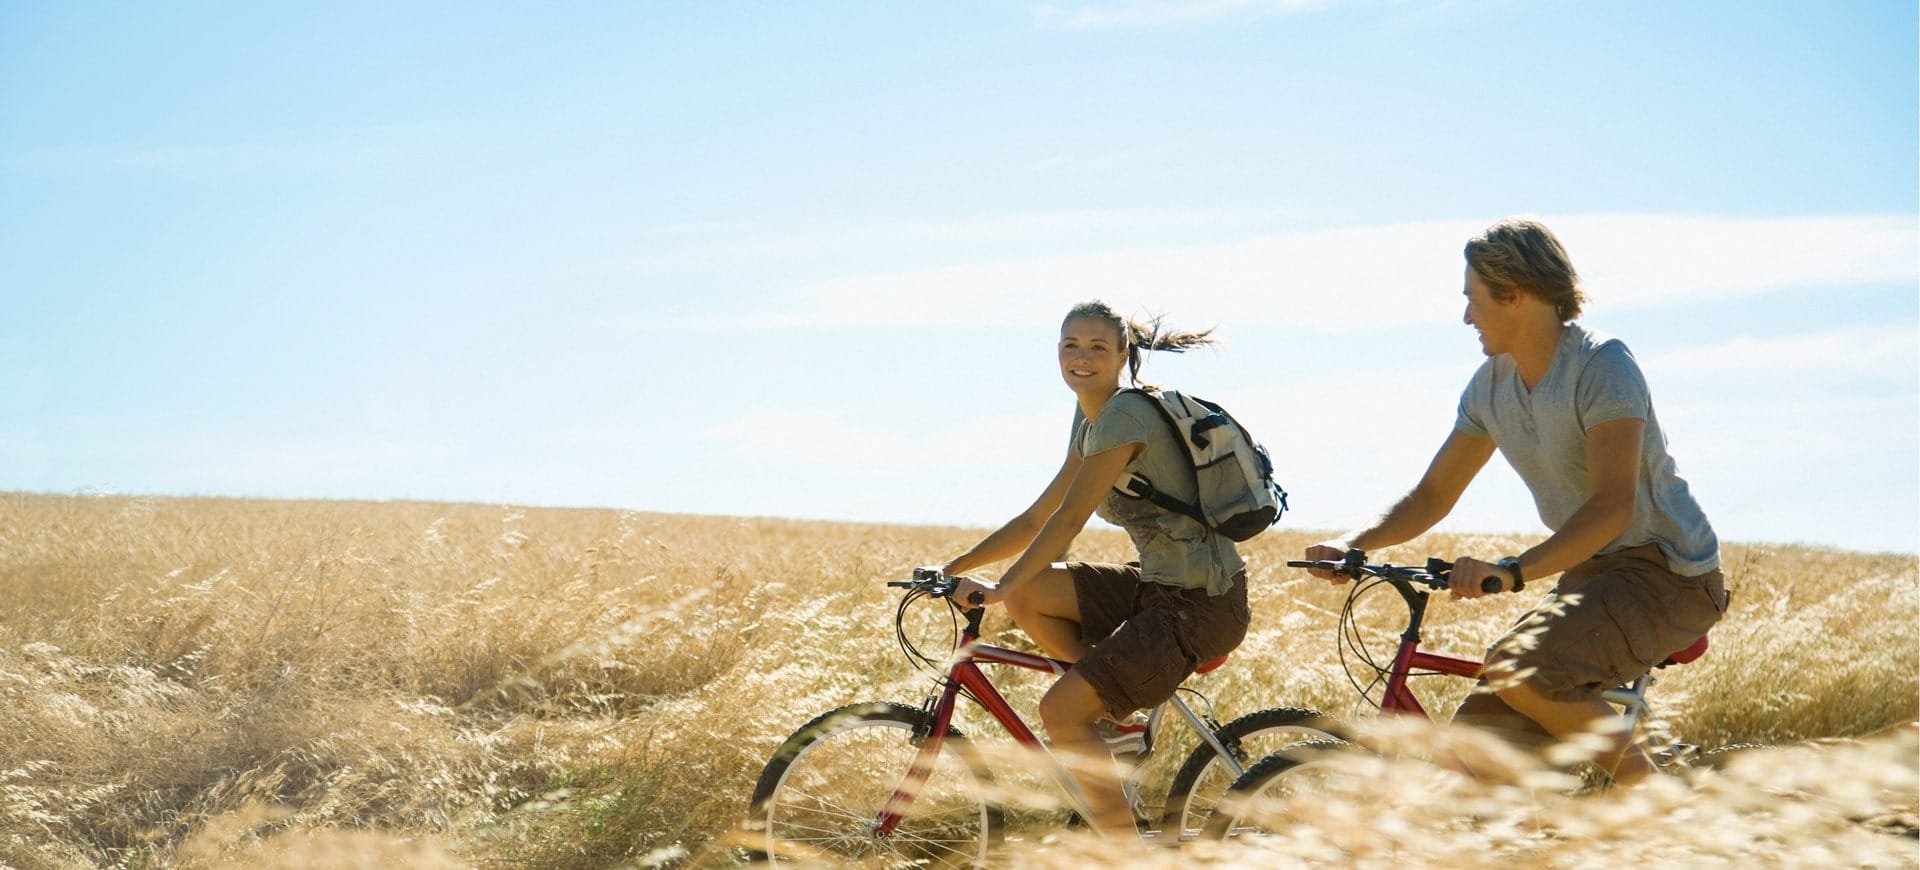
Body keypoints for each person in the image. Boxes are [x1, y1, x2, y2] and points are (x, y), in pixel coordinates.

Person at [1304, 217, 1729, 787]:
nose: (1466, 317)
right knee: (1472, 761)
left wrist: (1509, 573)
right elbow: (1433, 494)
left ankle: (1655, 811)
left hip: (1665, 576)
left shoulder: (1602, 366)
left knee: (1521, 672)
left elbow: (1612, 508)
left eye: (1473, 300)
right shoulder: (1490, 387)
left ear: (1516, 294)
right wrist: (1354, 545)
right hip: (1591, 579)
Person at [945, 300, 1252, 836]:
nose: (1081, 358)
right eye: (1070, 346)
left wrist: (995, 587)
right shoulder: (1090, 415)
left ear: (1123, 356)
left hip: (1200, 605)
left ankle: (1121, 852)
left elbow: (1066, 524)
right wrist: (955, 567)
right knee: (1030, 593)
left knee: (1061, 713)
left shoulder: (1125, 416)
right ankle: (1117, 722)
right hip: (1159, 587)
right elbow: (1039, 515)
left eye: (1096, 348)